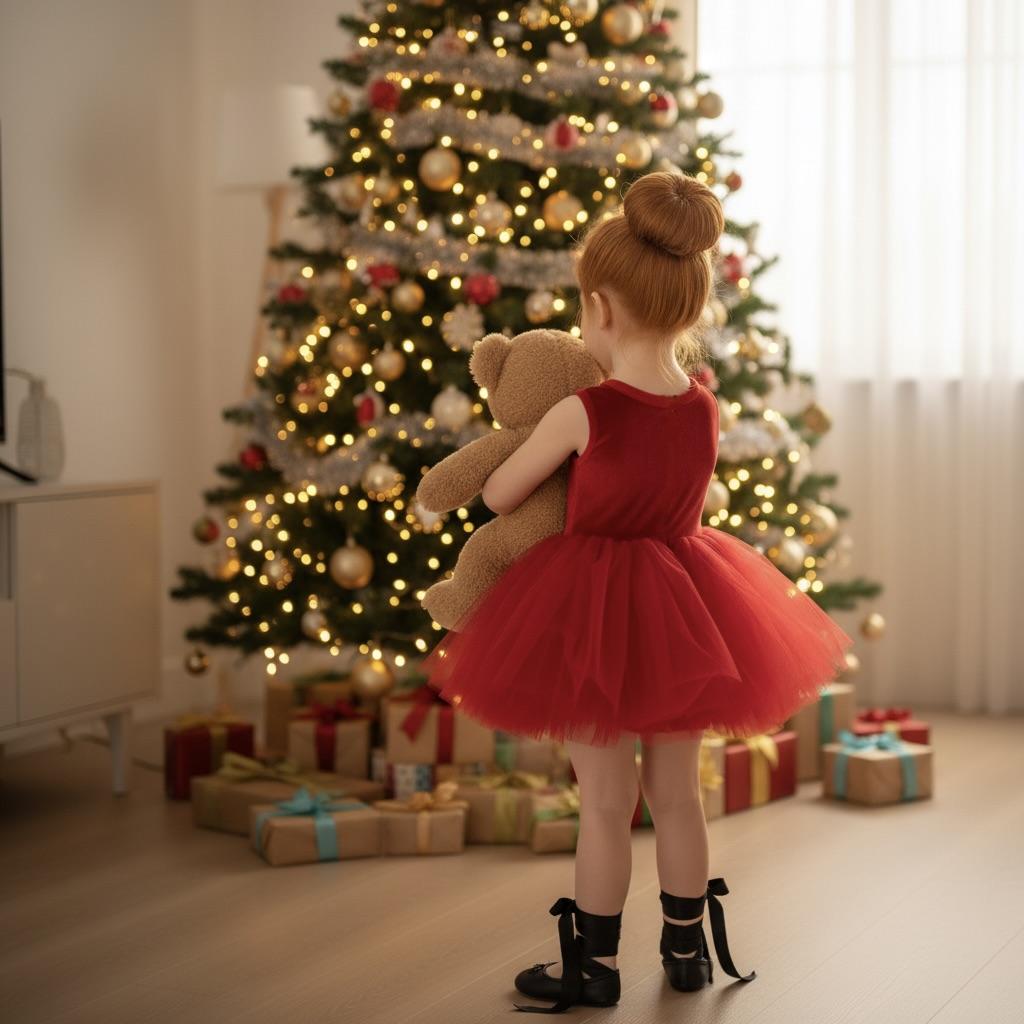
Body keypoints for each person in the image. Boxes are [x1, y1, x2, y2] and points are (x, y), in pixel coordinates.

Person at [419, 170, 854, 1013]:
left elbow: (503, 495)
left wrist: (525, 449)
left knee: (605, 803)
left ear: (600, 309)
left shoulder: (587, 408)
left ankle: (596, 967)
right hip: (689, 603)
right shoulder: (703, 405)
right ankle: (686, 953)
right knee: (679, 796)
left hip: (587, 607)